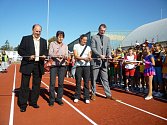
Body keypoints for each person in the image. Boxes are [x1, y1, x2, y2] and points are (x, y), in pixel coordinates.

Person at [18, 24, 47, 112]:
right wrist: (28, 57)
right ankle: (23, 104)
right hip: (27, 64)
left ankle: (33, 102)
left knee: (36, 85)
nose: (38, 33)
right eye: (36, 31)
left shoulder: (44, 41)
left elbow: (46, 51)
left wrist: (44, 55)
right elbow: (20, 50)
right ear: (32, 30)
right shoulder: (25, 39)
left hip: (38, 65)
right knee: (24, 85)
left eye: (39, 31)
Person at [90, 24, 114, 100]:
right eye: (101, 30)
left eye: (104, 30)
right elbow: (93, 48)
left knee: (105, 79)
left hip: (104, 62)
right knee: (94, 78)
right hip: (96, 61)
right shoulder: (94, 37)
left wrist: (109, 55)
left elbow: (108, 48)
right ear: (98, 29)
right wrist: (100, 55)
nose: (103, 32)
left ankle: (108, 94)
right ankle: (93, 93)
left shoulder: (107, 38)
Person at [48, 31, 68, 106]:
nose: (60, 38)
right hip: (54, 65)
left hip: (62, 65)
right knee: (52, 83)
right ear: (56, 37)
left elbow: (66, 55)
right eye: (59, 36)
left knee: (60, 83)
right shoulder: (52, 44)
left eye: (62, 37)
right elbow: (50, 53)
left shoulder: (65, 45)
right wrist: (57, 56)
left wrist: (65, 57)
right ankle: (51, 99)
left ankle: (59, 99)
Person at [73, 34, 92, 104]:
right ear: (80, 39)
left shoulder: (88, 47)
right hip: (79, 66)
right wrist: (84, 58)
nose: (85, 41)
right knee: (78, 82)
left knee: (86, 82)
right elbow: (75, 56)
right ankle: (77, 96)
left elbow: (90, 56)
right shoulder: (76, 46)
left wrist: (89, 59)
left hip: (87, 66)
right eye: (84, 40)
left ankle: (86, 97)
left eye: (86, 40)